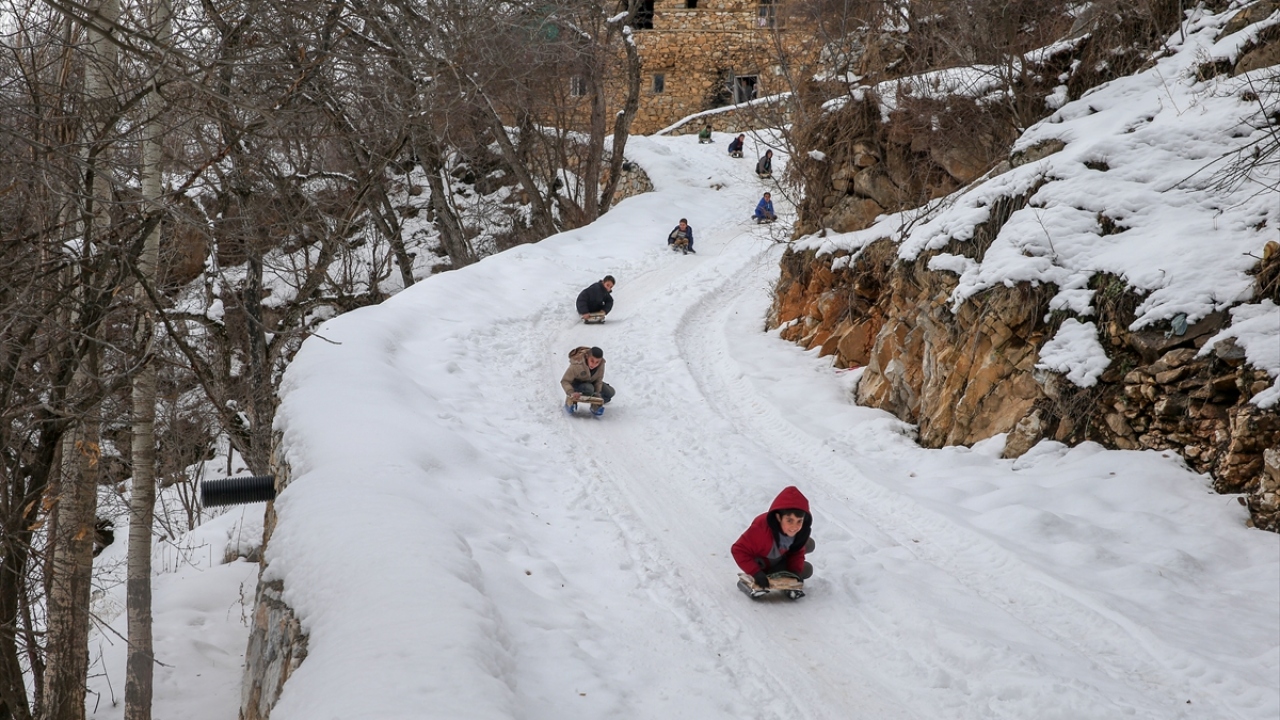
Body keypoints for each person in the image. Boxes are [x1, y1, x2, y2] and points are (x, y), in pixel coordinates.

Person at [732, 486, 815, 591]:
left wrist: (794, 572)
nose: (794, 527)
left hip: (780, 555)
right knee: (806, 565)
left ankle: (780, 574)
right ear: (778, 517)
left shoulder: (799, 530)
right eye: (789, 520)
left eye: (799, 521)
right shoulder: (760, 531)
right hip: (762, 561)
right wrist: (756, 572)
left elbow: (797, 552)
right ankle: (764, 576)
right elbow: (738, 549)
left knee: (807, 558)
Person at [561, 346, 614, 416]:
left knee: (610, 392)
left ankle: (596, 405)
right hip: (577, 385)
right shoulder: (577, 364)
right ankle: (571, 402)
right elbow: (565, 381)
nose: (594, 364)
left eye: (597, 362)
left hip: (591, 383)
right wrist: (571, 392)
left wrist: (597, 394)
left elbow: (598, 380)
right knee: (589, 388)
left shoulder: (601, 364)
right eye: (592, 361)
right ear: (587, 357)